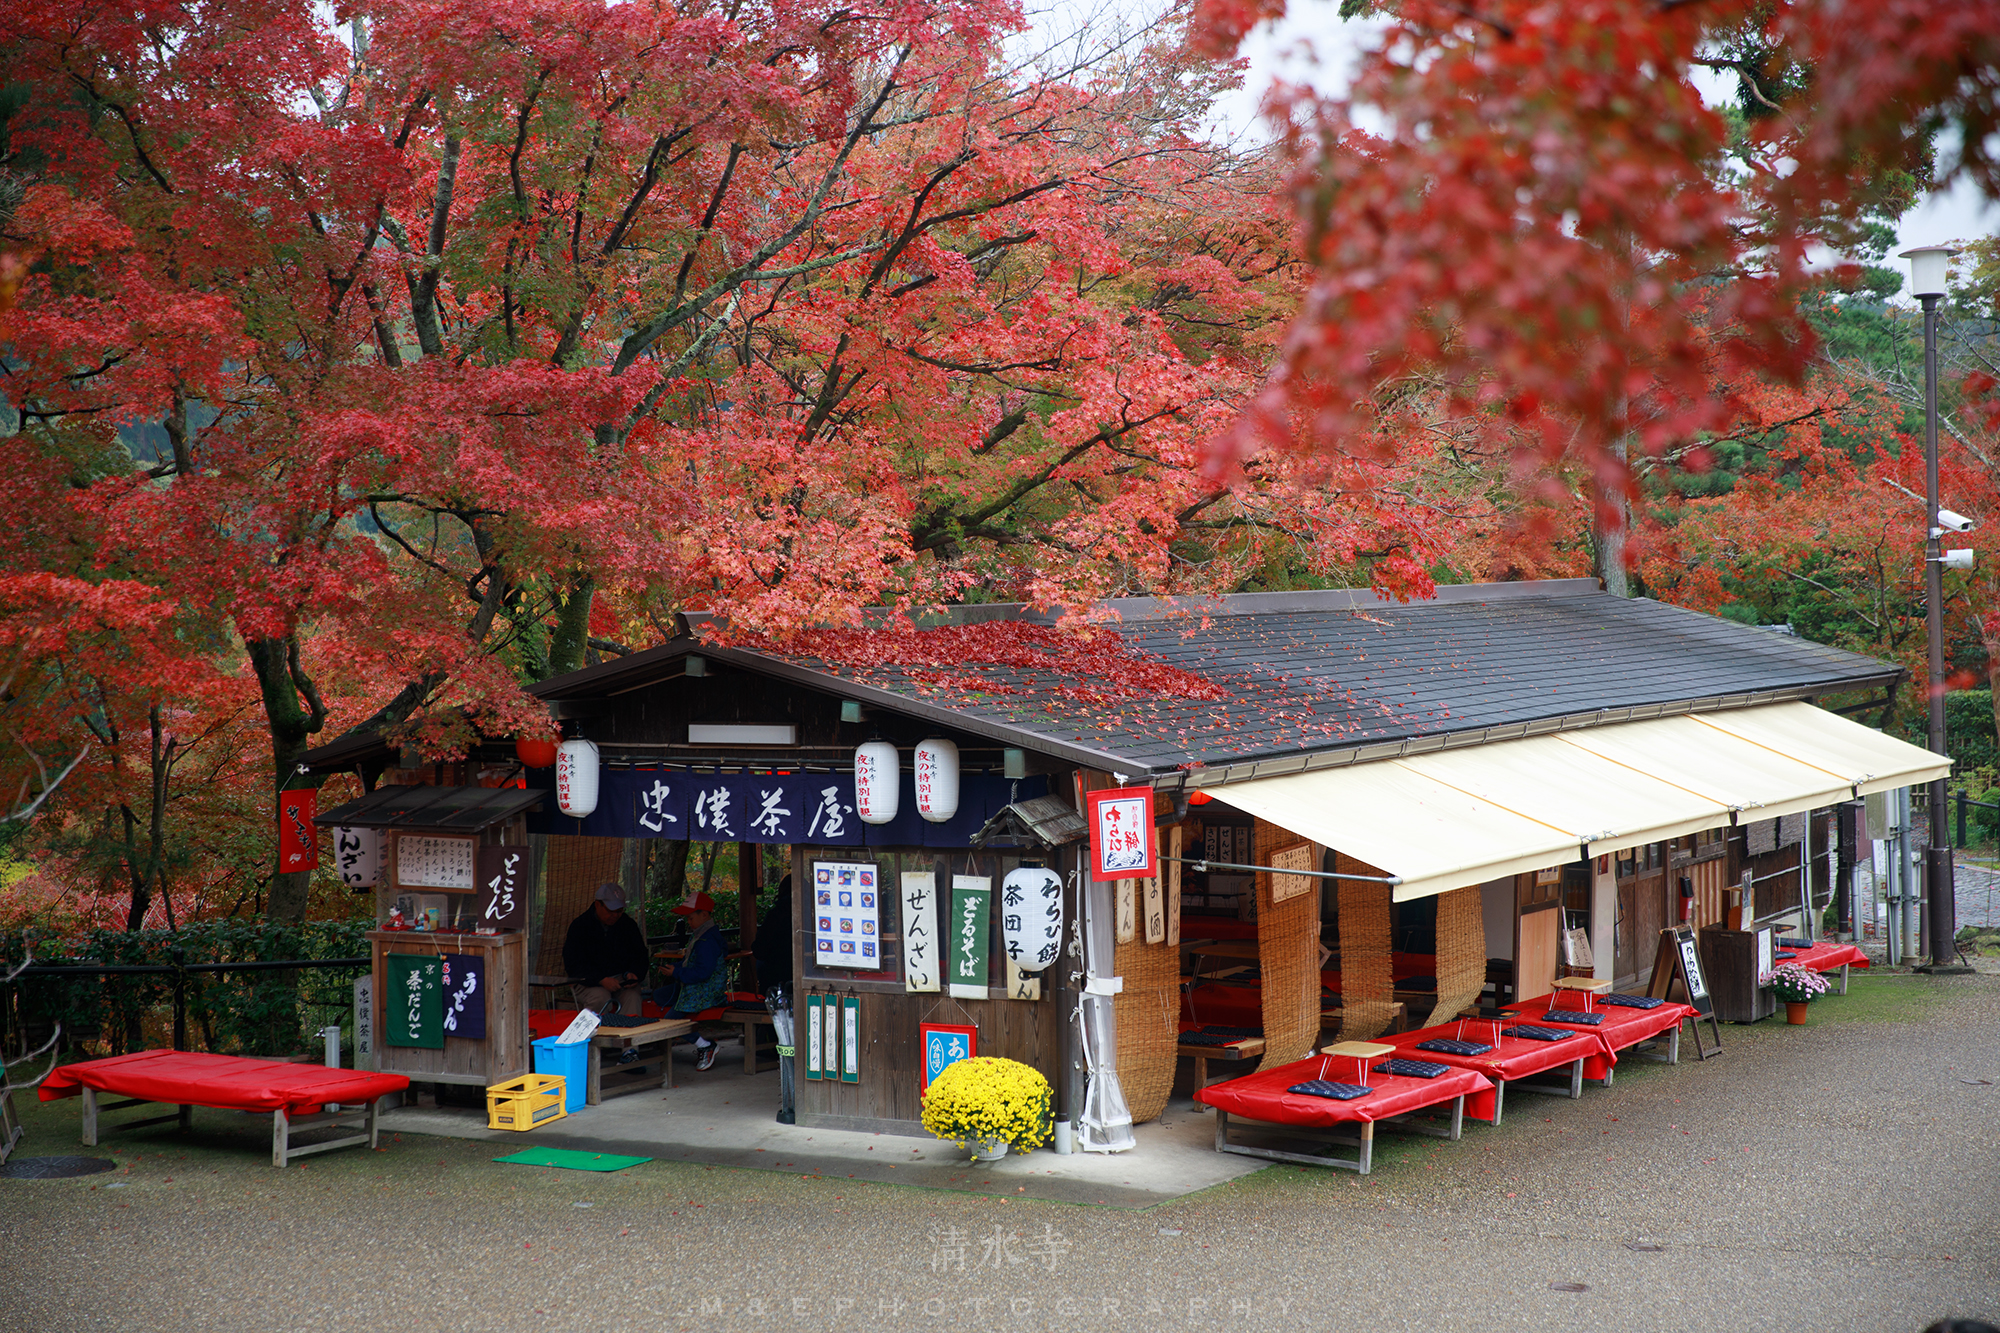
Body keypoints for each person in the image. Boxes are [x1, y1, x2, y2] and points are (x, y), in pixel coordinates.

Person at [655, 891, 728, 1070]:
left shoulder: (707, 939)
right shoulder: (701, 934)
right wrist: (676, 969)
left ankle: (705, 1045)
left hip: (705, 990)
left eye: (690, 917)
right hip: (696, 986)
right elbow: (693, 964)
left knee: (671, 1020)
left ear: (704, 914)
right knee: (658, 996)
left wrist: (677, 973)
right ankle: (659, 1040)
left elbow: (702, 973)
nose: (688, 922)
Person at [563, 882, 649, 1016]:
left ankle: (628, 1034)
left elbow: (641, 955)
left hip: (621, 980)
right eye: (611, 910)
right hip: (588, 982)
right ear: (598, 905)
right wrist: (600, 979)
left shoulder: (628, 925)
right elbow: (573, 964)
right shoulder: (580, 926)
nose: (615, 915)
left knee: (633, 997)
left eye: (619, 911)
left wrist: (635, 973)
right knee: (600, 998)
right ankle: (596, 1035)